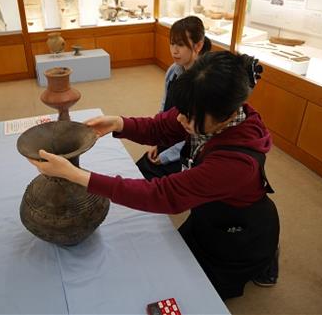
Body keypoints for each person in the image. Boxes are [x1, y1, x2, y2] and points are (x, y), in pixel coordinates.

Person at [28, 51, 280, 300]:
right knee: (175, 261)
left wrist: (77, 176)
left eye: (188, 116)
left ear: (224, 116)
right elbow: (161, 127)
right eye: (182, 110)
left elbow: (162, 194)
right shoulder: (204, 107)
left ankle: (264, 260)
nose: (180, 118)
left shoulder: (236, 163)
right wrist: (119, 123)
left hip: (239, 233)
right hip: (207, 213)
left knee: (195, 291)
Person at [136, 16, 211, 180]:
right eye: (172, 43)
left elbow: (201, 137)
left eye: (181, 44)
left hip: (192, 149)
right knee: (139, 169)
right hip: (171, 135)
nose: (174, 50)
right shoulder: (173, 70)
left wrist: (166, 155)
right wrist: (157, 140)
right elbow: (164, 108)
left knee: (149, 179)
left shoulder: (205, 81)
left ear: (198, 45)